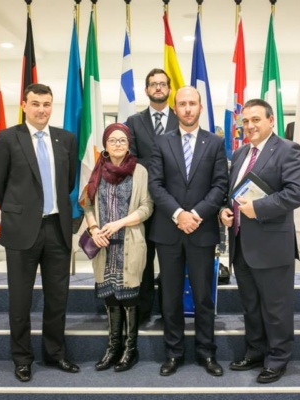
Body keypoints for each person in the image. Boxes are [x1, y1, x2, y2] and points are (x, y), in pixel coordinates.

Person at [0, 83, 79, 382]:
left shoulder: (65, 139)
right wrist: (19, 210)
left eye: (47, 104)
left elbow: (68, 182)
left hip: (57, 228)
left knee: (57, 298)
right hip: (21, 231)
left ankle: (55, 354)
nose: (42, 109)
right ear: (24, 105)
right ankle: (22, 358)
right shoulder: (7, 138)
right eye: (36, 103)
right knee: (20, 300)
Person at [220, 99, 300, 384]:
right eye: (245, 121)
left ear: (271, 120)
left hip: (272, 246)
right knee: (251, 305)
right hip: (241, 244)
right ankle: (255, 351)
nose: (250, 126)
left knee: (276, 307)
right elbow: (235, 195)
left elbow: (297, 193)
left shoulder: (288, 150)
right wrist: (226, 210)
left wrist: (257, 209)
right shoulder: (241, 152)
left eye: (256, 120)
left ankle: (278, 358)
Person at [148, 86, 228, 377]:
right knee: (169, 297)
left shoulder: (215, 143)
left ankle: (207, 353)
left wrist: (194, 215)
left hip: (202, 230)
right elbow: (155, 185)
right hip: (168, 232)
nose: (187, 109)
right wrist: (178, 214)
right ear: (175, 107)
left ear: (200, 107)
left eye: (192, 103)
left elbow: (220, 185)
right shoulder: (161, 142)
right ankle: (174, 353)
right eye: (182, 104)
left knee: (203, 296)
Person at [84, 123, 153, 372]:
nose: (118, 145)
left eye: (122, 140)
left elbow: (147, 207)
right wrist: (94, 229)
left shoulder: (140, 171)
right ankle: (112, 348)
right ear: (105, 143)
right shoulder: (96, 170)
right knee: (110, 297)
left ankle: (129, 350)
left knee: (130, 298)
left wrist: (119, 224)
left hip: (130, 242)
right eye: (112, 140)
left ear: (129, 144)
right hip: (104, 245)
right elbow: (87, 205)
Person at [125, 68, 179, 325]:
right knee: (143, 261)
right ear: (146, 90)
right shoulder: (133, 122)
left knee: (171, 263)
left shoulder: (182, 119)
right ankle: (144, 311)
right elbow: (130, 160)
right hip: (143, 202)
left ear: (169, 89)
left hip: (175, 203)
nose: (158, 88)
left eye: (162, 84)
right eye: (153, 84)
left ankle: (170, 312)